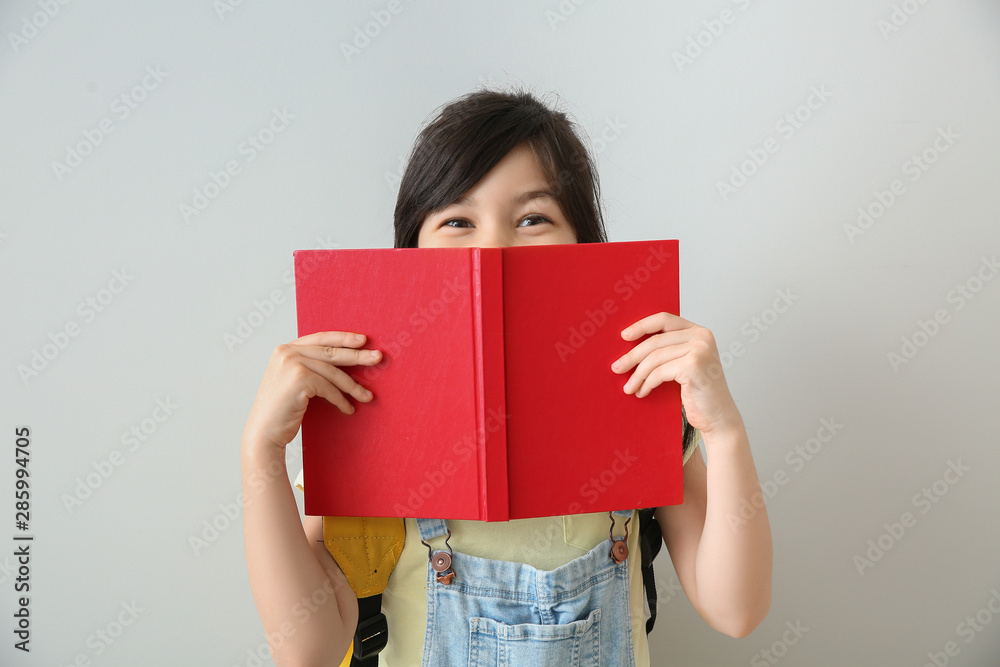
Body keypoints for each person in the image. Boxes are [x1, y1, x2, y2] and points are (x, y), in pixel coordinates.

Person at [241, 87, 772, 666]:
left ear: (583, 244)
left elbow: (736, 609)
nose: (493, 246)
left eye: (532, 217)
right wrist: (260, 452)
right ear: (410, 249)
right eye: (458, 220)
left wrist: (725, 430)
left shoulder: (642, 404)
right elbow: (307, 651)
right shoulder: (363, 419)